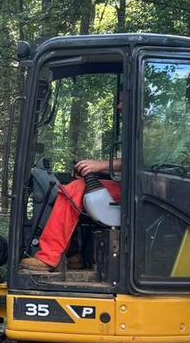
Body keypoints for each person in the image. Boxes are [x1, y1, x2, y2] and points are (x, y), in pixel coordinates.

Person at [21, 90, 123, 274]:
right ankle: (73, 255)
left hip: (139, 189)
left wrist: (99, 166)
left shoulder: (147, 129)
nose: (119, 106)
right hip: (132, 185)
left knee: (73, 191)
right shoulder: (137, 129)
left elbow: (139, 163)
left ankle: (49, 257)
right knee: (76, 188)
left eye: (123, 101)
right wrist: (91, 168)